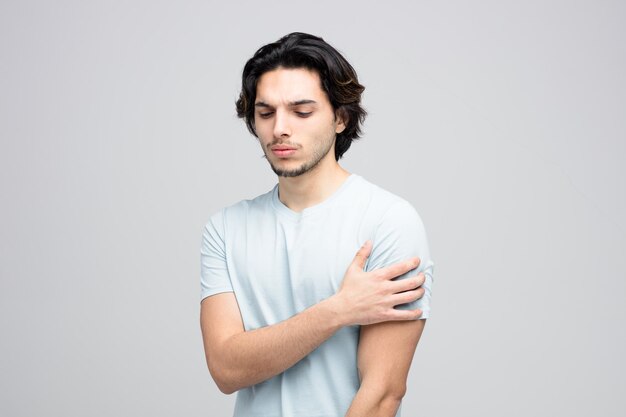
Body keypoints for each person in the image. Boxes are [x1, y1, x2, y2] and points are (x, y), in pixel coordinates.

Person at [200, 32, 434, 417]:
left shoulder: (387, 221)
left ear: (340, 118)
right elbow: (226, 369)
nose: (280, 129)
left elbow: (382, 394)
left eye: (301, 112)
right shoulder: (226, 228)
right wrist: (339, 310)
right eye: (266, 113)